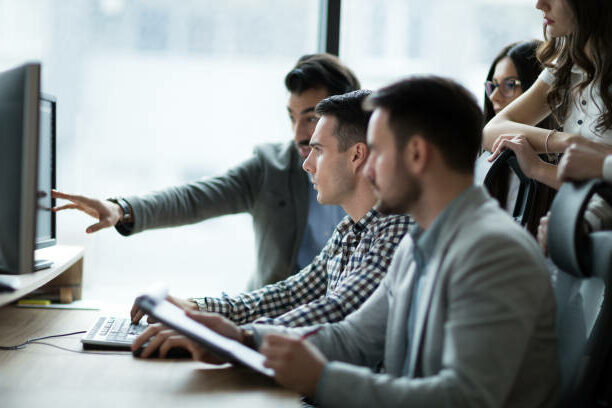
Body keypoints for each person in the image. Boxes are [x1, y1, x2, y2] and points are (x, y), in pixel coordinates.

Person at [134, 77, 560, 407]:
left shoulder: (492, 251)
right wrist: (241, 341)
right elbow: (353, 338)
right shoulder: (422, 241)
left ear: (416, 154)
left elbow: (463, 400)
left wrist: (320, 379)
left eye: (376, 150)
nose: (368, 168)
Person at [131, 90, 412, 358]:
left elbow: (336, 311)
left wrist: (232, 337)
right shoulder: (351, 229)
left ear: (356, 156)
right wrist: (198, 308)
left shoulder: (396, 232)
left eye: (319, 151)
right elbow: (291, 294)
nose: (308, 164)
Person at [52, 53, 360, 290]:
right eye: (292, 118)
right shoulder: (271, 168)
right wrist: (122, 209)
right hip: (269, 321)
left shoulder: (375, 185)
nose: (297, 134)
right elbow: (194, 198)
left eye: (310, 118)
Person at [483, 0, 612, 190]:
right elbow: (491, 132)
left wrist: (539, 169)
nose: (539, 4)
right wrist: (569, 142)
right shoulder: (565, 65)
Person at [481, 40, 557, 236]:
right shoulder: (488, 160)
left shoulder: (563, 165)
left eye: (509, 84)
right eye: (493, 85)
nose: (494, 97)